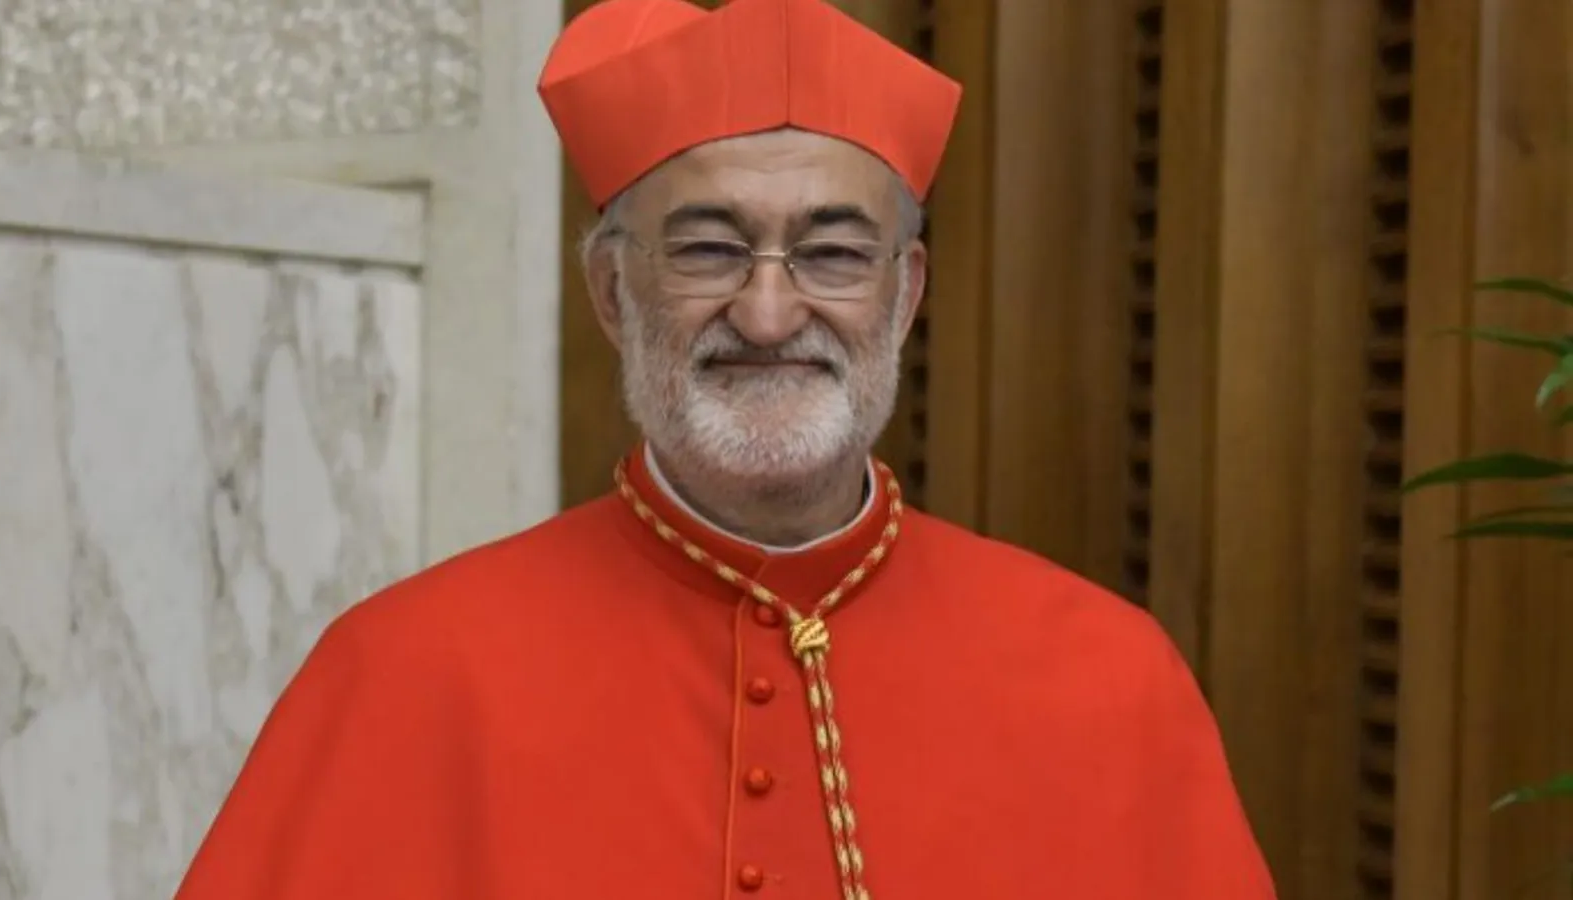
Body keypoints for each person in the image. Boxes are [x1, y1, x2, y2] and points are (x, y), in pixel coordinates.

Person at [174, 0, 1277, 897]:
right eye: (707, 249)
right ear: (613, 292)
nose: (766, 313)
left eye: (833, 254)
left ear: (904, 296)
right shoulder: (408, 674)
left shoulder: (1109, 681)